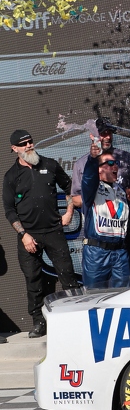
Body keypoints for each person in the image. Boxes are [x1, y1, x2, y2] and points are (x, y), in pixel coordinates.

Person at [3, 130, 80, 338]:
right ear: (14, 149)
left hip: (54, 231)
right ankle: (38, 322)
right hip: (29, 236)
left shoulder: (50, 164)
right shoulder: (11, 176)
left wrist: (69, 212)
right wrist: (24, 235)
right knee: (33, 281)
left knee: (68, 277)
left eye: (30, 141)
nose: (28, 145)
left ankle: (74, 318)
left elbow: (70, 187)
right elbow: (9, 210)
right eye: (23, 144)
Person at [71, 117, 130, 274]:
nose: (107, 137)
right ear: (93, 135)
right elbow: (75, 199)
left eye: (110, 133)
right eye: (103, 133)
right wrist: (95, 195)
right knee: (99, 287)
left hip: (124, 229)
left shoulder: (126, 158)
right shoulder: (82, 164)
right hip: (99, 231)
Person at [80, 150, 130, 289]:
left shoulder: (120, 190)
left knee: (123, 296)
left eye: (116, 163)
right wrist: (92, 159)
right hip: (97, 252)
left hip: (120, 252)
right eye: (109, 163)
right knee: (95, 296)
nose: (115, 166)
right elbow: (88, 178)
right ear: (99, 169)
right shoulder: (92, 188)